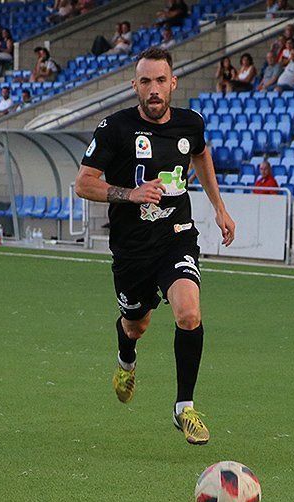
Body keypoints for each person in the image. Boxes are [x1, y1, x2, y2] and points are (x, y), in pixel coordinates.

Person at [74, 47, 235, 446]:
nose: (153, 89)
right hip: (131, 249)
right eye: (145, 82)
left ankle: (184, 408)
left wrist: (219, 207)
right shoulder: (114, 129)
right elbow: (83, 183)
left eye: (160, 80)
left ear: (173, 82)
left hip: (176, 235)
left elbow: (201, 155)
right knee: (137, 324)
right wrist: (130, 194)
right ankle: (126, 359)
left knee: (189, 313)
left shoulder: (190, 123)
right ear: (135, 86)